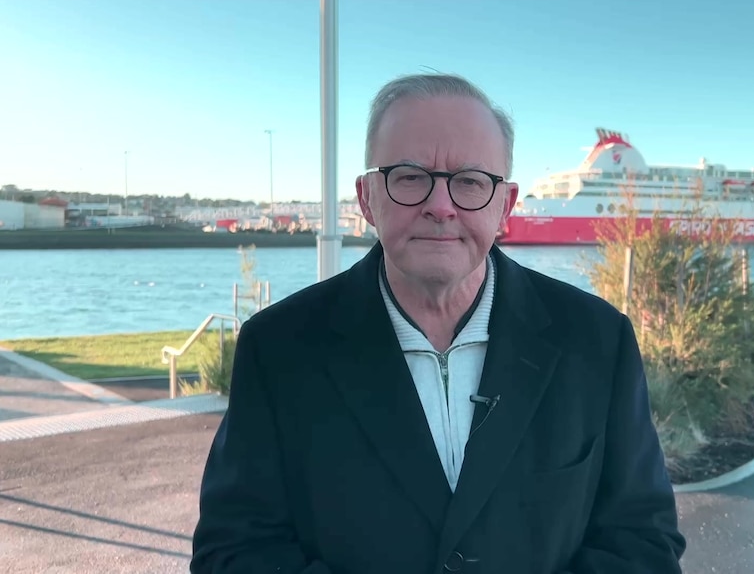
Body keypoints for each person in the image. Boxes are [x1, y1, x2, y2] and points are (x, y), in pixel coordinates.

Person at [191, 73, 686, 574]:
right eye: (409, 176)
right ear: (367, 199)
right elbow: (233, 550)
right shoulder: (278, 349)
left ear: (505, 206)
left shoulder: (597, 342)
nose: (441, 206)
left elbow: (643, 540)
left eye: (470, 181)